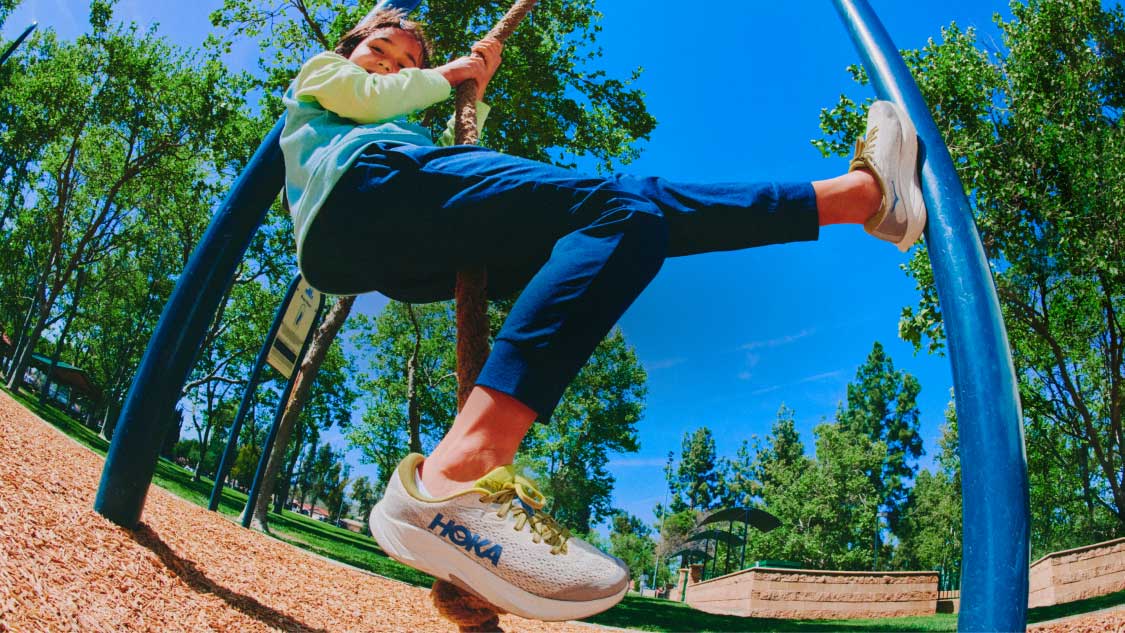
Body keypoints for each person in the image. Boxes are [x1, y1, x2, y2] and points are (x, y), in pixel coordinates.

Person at [281, 9, 926, 622]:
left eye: (406, 61)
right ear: (347, 52)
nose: (393, 67)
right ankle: (459, 472)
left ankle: (855, 202)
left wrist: (477, 94)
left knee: (625, 220)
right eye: (380, 52)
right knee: (619, 211)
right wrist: (449, 73)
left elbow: (477, 181)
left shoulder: (402, 125)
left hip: (398, 242)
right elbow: (372, 99)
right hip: (360, 194)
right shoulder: (324, 78)